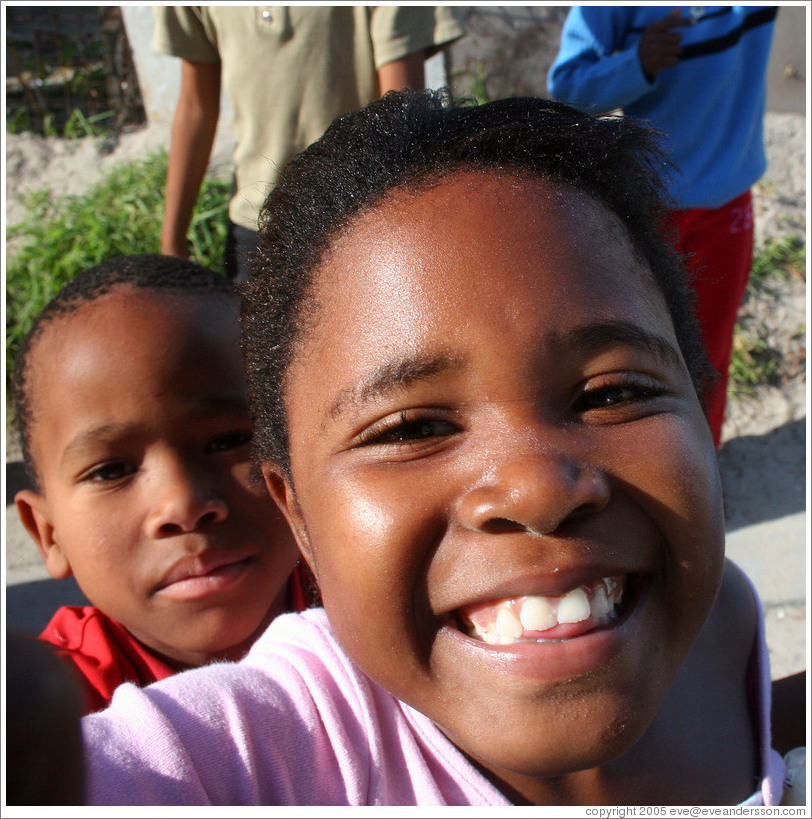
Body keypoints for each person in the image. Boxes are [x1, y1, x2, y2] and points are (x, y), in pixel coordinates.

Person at [79, 91, 801, 805]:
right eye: (411, 429)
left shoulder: (719, 621)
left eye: (613, 393)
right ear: (296, 512)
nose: (537, 488)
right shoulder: (272, 747)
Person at [12, 254, 307, 714]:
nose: (183, 503)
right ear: (48, 533)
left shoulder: (380, 606)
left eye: (229, 440)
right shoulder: (51, 714)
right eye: (112, 471)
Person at [547, 6, 778, 447]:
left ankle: (699, 479)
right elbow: (569, 88)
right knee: (632, 355)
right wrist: (638, 63)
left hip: (724, 204)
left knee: (708, 357)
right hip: (645, 206)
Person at [153, 5, 465, 282]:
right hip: (256, 223)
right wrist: (172, 245)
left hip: (356, 221)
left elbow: (400, 113)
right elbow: (197, 107)